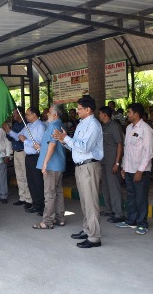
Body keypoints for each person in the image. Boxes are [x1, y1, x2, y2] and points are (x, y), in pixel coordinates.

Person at [53, 96, 103, 248]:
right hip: (80, 166)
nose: (77, 111)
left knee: (91, 203)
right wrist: (63, 141)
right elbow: (76, 146)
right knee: (84, 201)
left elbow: (85, 147)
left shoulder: (93, 125)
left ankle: (94, 238)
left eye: (79, 108)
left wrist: (66, 138)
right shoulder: (82, 124)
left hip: (89, 166)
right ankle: (87, 229)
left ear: (88, 109)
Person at [116, 103, 153, 235]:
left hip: (140, 171)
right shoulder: (129, 128)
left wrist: (140, 170)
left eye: (129, 112)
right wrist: (123, 167)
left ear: (136, 114)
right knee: (131, 196)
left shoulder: (146, 129)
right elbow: (127, 149)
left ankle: (142, 223)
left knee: (141, 197)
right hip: (129, 168)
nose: (128, 114)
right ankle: (131, 220)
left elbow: (148, 152)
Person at [4, 107, 46, 215]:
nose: (26, 116)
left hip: (36, 157)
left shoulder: (40, 126)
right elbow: (18, 136)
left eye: (27, 114)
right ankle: (36, 205)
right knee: (31, 182)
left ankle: (42, 206)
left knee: (38, 182)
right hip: (28, 157)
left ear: (34, 115)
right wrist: (9, 131)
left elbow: (39, 145)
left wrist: (25, 141)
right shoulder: (29, 126)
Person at [32, 104, 66, 229]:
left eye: (50, 112)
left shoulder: (53, 125)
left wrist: (45, 163)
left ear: (55, 114)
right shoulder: (59, 124)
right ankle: (60, 218)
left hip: (51, 165)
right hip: (58, 164)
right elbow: (49, 145)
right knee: (58, 192)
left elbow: (52, 145)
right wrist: (40, 148)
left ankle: (47, 221)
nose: (47, 114)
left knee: (49, 193)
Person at [98, 106, 125, 223]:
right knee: (105, 187)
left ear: (104, 114)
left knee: (114, 187)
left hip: (112, 162)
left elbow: (120, 144)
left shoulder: (114, 126)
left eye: (100, 114)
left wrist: (117, 163)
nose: (98, 116)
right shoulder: (102, 126)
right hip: (103, 161)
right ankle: (109, 209)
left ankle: (118, 213)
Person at [6, 108, 32, 208]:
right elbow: (10, 137)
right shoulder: (16, 124)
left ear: (20, 114)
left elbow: (18, 137)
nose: (13, 115)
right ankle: (22, 198)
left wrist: (10, 131)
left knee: (26, 176)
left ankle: (29, 199)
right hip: (16, 152)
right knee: (19, 176)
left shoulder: (25, 125)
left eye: (15, 113)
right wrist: (8, 131)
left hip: (23, 152)